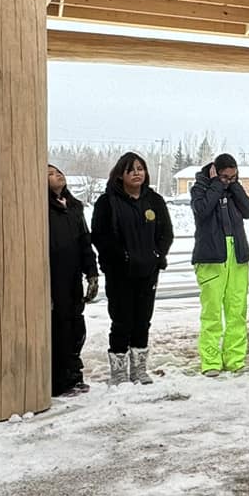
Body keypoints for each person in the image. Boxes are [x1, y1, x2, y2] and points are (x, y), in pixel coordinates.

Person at [90, 152, 172, 385]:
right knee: (122, 321)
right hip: (120, 273)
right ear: (120, 174)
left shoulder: (154, 200)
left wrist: (157, 255)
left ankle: (139, 370)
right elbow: (101, 236)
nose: (137, 173)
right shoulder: (108, 202)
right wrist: (122, 257)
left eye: (140, 168)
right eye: (131, 169)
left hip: (148, 271)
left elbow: (166, 232)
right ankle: (118, 373)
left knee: (142, 320)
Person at [191, 153, 249, 374]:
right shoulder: (200, 188)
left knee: (237, 310)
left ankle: (235, 359)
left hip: (237, 254)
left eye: (233, 177)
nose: (229, 180)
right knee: (212, 313)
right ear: (214, 173)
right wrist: (216, 185)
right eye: (225, 177)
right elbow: (202, 211)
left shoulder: (234, 189)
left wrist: (234, 187)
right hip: (211, 257)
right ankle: (210, 361)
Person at [47, 165, 99, 396]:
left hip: (73, 276)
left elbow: (85, 242)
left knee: (76, 326)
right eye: (49, 174)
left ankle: (74, 373)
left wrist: (92, 272)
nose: (57, 175)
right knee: (58, 327)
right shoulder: (41, 209)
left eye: (58, 172)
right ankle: (57, 380)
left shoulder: (75, 207)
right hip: (52, 276)